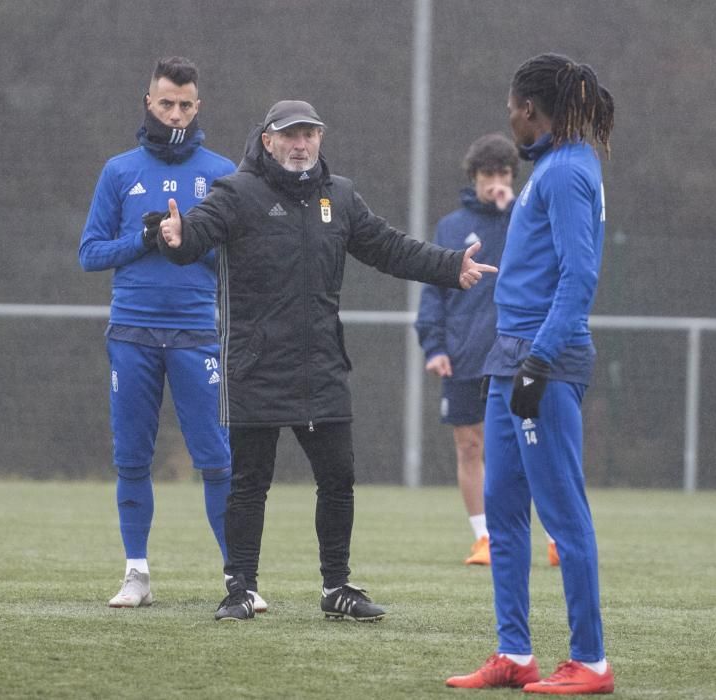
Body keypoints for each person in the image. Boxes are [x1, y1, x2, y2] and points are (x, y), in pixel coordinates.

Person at [155, 99, 498, 622]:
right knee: (250, 481)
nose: (300, 144)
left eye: (309, 134)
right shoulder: (237, 192)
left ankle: (336, 587)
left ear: (320, 140)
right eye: (290, 135)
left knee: (338, 478)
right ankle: (239, 588)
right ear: (267, 141)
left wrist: (451, 266)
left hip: (321, 365)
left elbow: (388, 247)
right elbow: (196, 231)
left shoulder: (339, 196)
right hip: (255, 364)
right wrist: (177, 239)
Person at [446, 54, 616, 693]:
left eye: (511, 108)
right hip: (507, 357)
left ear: (527, 109)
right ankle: (514, 653)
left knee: (563, 512)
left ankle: (591, 661)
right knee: (504, 507)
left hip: (543, 361)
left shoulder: (570, 171)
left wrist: (540, 360)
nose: (509, 119)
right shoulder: (553, 166)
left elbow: (580, 277)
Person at [78, 57, 266, 614]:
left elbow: (238, 259)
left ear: (198, 106)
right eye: (166, 103)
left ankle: (240, 580)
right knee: (132, 457)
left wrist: (186, 240)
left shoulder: (221, 173)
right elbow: (90, 253)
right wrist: (143, 239)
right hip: (132, 335)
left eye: (185, 104)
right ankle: (136, 573)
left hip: (196, 336)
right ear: (148, 103)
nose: (176, 113)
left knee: (217, 459)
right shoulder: (119, 171)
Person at [414, 134, 517, 567]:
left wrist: (514, 210)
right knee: (470, 446)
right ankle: (484, 538)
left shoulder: (527, 218)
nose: (496, 182)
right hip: (464, 356)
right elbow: (434, 292)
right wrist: (434, 345)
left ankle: (554, 536)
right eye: (488, 174)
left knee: (531, 445)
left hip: (517, 355)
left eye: (504, 174)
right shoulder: (451, 228)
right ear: (474, 177)